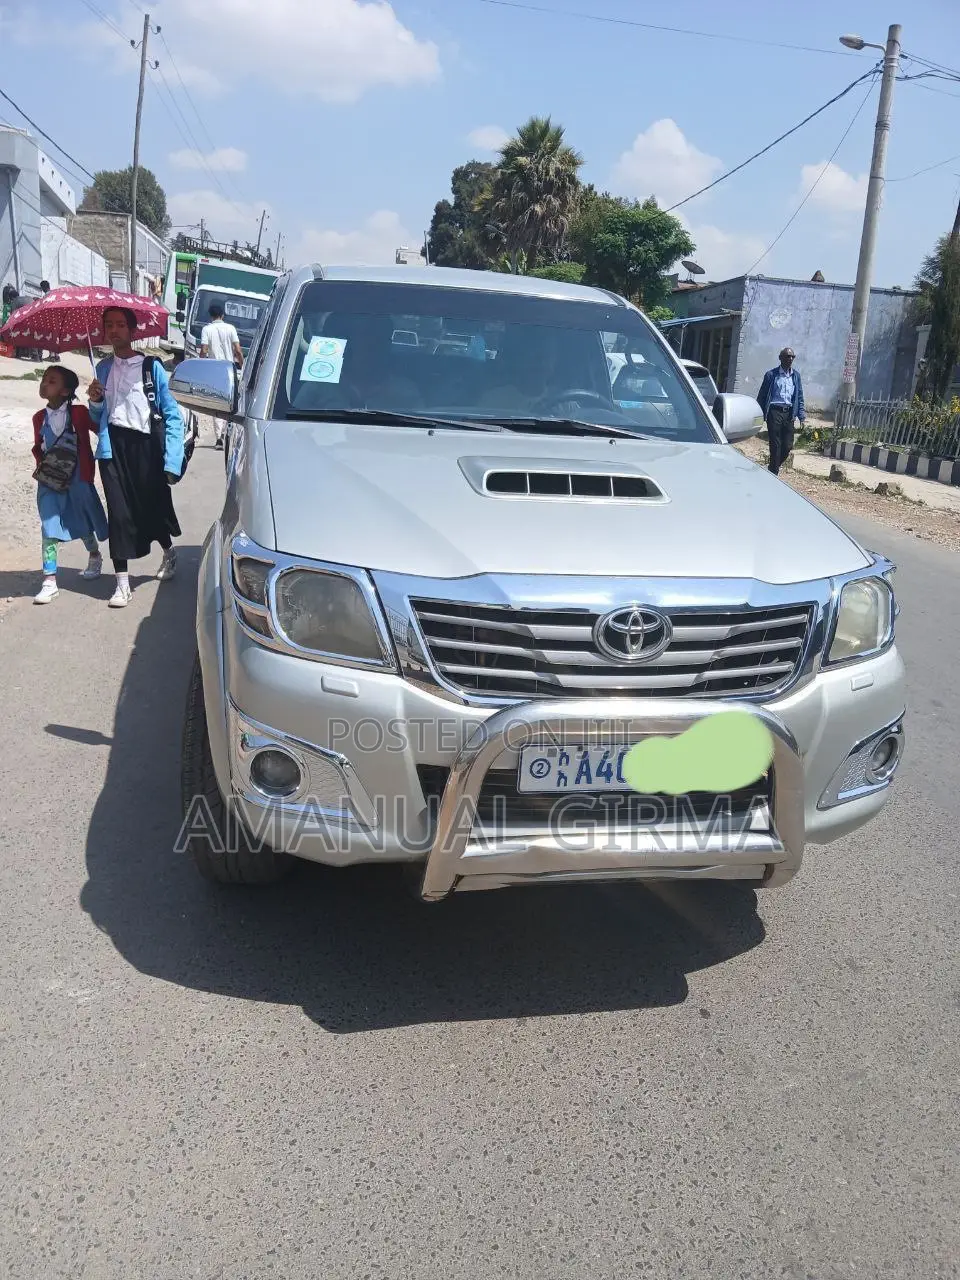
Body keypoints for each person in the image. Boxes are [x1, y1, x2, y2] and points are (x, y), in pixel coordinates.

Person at [87, 306, 185, 608]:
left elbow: (172, 415)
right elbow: (96, 419)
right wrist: (95, 401)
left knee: (150, 509)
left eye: (120, 325)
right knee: (119, 512)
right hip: (112, 448)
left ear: (132, 331)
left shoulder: (151, 367)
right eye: (109, 325)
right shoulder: (102, 369)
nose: (114, 330)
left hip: (146, 448)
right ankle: (122, 583)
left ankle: (168, 552)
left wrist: (172, 461)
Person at [31, 365, 108, 604]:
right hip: (49, 479)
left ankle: (94, 555)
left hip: (78, 478)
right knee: (49, 524)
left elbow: (98, 424)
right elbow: (39, 446)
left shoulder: (78, 413)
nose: (45, 383)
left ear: (65, 391)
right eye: (44, 379)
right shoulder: (38, 418)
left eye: (52, 381)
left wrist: (96, 401)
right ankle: (50, 580)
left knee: (82, 520)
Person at [756, 346, 805, 476]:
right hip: (774, 412)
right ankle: (774, 473)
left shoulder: (796, 376)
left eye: (792, 357)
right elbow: (762, 396)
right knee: (775, 444)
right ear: (780, 358)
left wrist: (801, 416)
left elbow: (799, 396)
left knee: (788, 445)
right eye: (787, 356)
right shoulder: (771, 375)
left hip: (789, 413)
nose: (790, 359)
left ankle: (773, 467)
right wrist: (759, 414)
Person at [200, 302, 242, 449]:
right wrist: (241, 365)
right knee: (230, 402)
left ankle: (219, 438)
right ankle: (227, 432)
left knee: (216, 403)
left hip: (214, 370)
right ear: (222, 315)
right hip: (229, 370)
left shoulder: (207, 329)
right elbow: (237, 350)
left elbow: (204, 350)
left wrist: (201, 365)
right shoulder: (231, 328)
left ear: (211, 316)